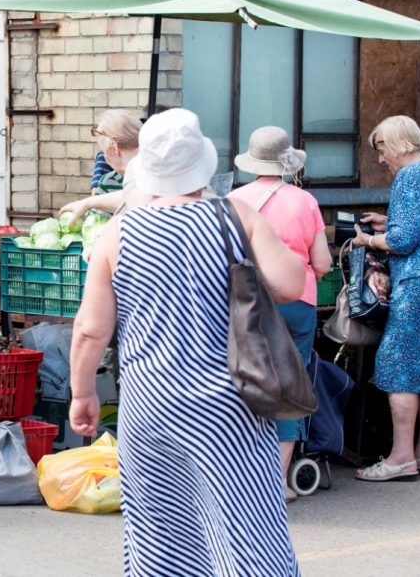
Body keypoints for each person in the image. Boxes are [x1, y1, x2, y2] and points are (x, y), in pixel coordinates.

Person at [69, 108, 303, 574]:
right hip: (229, 404)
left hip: (149, 405)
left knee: (160, 533)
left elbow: (90, 328)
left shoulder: (121, 231)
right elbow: (290, 284)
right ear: (202, 164)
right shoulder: (233, 215)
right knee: (247, 530)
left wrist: (83, 393)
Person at [228, 126, 331, 502]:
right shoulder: (305, 202)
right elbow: (321, 262)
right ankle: (277, 483)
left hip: (246, 302)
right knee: (290, 387)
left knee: (243, 383)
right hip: (296, 303)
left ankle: (241, 478)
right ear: (287, 162)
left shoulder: (233, 199)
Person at [352, 115, 420, 482]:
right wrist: (389, 221)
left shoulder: (409, 177)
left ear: (398, 143)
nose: (381, 159)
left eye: (382, 149)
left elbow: (403, 242)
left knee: (398, 365)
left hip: (416, 282)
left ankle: (400, 457)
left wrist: (368, 240)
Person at [60, 110, 142, 223]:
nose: (105, 160)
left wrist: (88, 203)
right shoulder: (162, 172)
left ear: (115, 148)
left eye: (104, 153)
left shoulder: (110, 182)